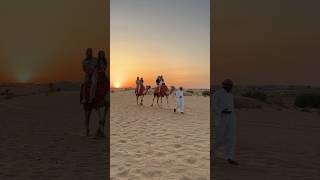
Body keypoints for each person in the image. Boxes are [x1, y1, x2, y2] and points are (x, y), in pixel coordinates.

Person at [212, 79, 238, 165]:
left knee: (232, 138)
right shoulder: (217, 94)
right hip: (221, 118)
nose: (229, 86)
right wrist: (221, 111)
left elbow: (232, 107)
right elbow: (214, 107)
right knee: (219, 139)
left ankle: (230, 157)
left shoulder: (230, 95)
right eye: (227, 85)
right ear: (223, 85)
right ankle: (211, 150)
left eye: (230, 85)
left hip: (231, 119)